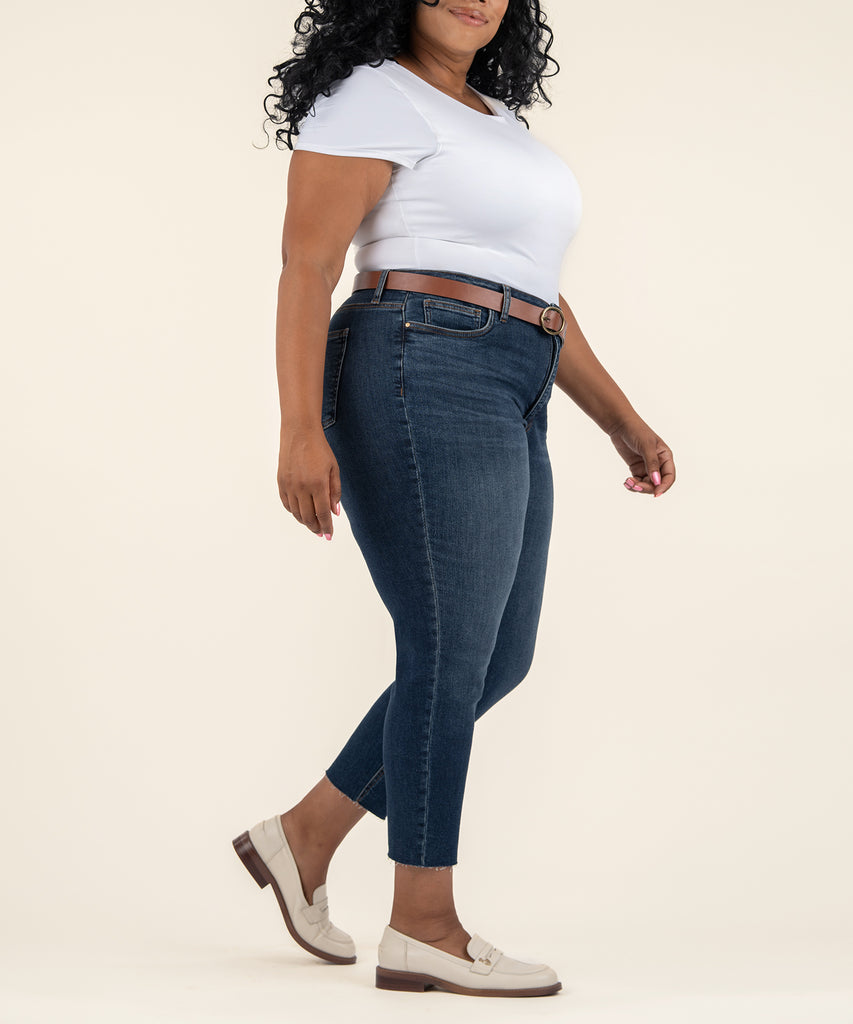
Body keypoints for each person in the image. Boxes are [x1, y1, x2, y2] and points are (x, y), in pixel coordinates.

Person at [232, 0, 676, 999]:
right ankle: (422, 922)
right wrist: (298, 429)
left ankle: (304, 834)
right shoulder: (370, 95)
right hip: (417, 361)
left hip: (516, 373)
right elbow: (307, 264)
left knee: (496, 656)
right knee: (445, 650)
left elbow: (537, 291)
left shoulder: (494, 120)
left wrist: (621, 420)